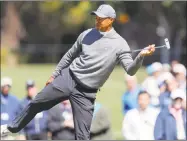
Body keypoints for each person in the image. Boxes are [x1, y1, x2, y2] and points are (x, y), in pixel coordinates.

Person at [1, 4, 155, 140]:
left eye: (101, 18)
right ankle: (10, 128)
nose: (97, 20)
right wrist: (55, 75)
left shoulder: (121, 44)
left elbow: (131, 70)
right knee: (36, 102)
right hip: (69, 78)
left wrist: (140, 56)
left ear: (111, 20)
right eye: (96, 17)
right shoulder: (87, 34)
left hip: (86, 93)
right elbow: (69, 55)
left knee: (82, 136)